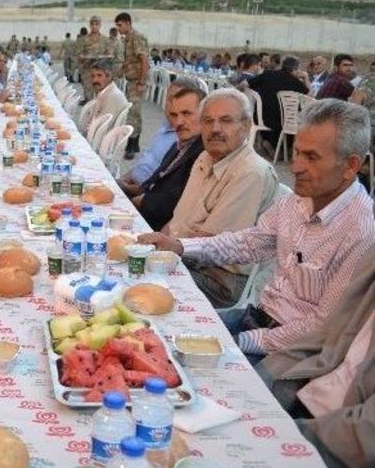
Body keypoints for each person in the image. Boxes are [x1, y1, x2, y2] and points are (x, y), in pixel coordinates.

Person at [141, 99, 374, 361]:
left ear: (351, 166)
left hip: (293, 352)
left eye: (311, 157)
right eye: (297, 152)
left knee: (182, 366)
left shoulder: (361, 233)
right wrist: (181, 246)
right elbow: (248, 243)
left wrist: (242, 342)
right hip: (255, 318)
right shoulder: (299, 200)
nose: (295, 167)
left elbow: (322, 329)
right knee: (156, 336)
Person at [151, 88, 279, 308]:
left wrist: (160, 254)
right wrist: (154, 245)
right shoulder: (206, 156)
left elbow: (211, 243)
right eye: (208, 121)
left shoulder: (250, 172)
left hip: (220, 279)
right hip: (187, 258)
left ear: (246, 125)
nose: (215, 129)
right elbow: (177, 220)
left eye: (226, 121)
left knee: (139, 280)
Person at [256, 248, 375, 468]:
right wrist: (260, 377)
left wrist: (285, 436)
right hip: (306, 389)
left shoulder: (358, 233)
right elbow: (326, 336)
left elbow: (365, 433)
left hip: (335, 438)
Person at [130, 86, 206, 231]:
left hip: (157, 227)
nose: (179, 122)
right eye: (174, 115)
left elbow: (181, 203)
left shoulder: (204, 152)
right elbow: (155, 180)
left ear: (205, 114)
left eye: (186, 113)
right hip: (142, 210)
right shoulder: (179, 144)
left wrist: (142, 200)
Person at [118, 77, 202, 190]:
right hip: (130, 184)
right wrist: (122, 180)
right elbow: (144, 162)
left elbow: (159, 189)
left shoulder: (183, 140)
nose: (172, 105)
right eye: (169, 99)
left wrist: (125, 188)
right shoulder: (165, 126)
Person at [246, 56, 310, 148]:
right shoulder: (295, 82)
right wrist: (306, 77)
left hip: (258, 118)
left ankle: (268, 144)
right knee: (298, 123)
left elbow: (245, 84)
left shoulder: (268, 74)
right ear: (295, 69)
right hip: (281, 124)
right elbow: (310, 97)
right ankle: (281, 150)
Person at [115, 12, 150, 160]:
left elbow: (144, 61)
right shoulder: (128, 39)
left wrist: (141, 82)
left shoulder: (136, 37)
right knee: (135, 112)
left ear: (128, 23)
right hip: (132, 81)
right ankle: (135, 144)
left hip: (137, 81)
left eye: (120, 25)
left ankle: (130, 145)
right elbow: (130, 60)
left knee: (132, 113)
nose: (118, 28)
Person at [75, 16, 112, 104]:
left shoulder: (106, 40)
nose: (94, 26)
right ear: (90, 25)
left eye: (97, 24)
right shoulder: (83, 40)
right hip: (88, 72)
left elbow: (110, 54)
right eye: (92, 24)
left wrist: (103, 57)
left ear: (100, 25)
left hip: (101, 72)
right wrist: (84, 57)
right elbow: (78, 54)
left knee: (102, 97)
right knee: (89, 99)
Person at [85, 58, 128, 129]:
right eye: (93, 76)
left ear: (109, 77)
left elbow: (103, 126)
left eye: (99, 75)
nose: (95, 80)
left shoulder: (113, 96)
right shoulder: (103, 92)